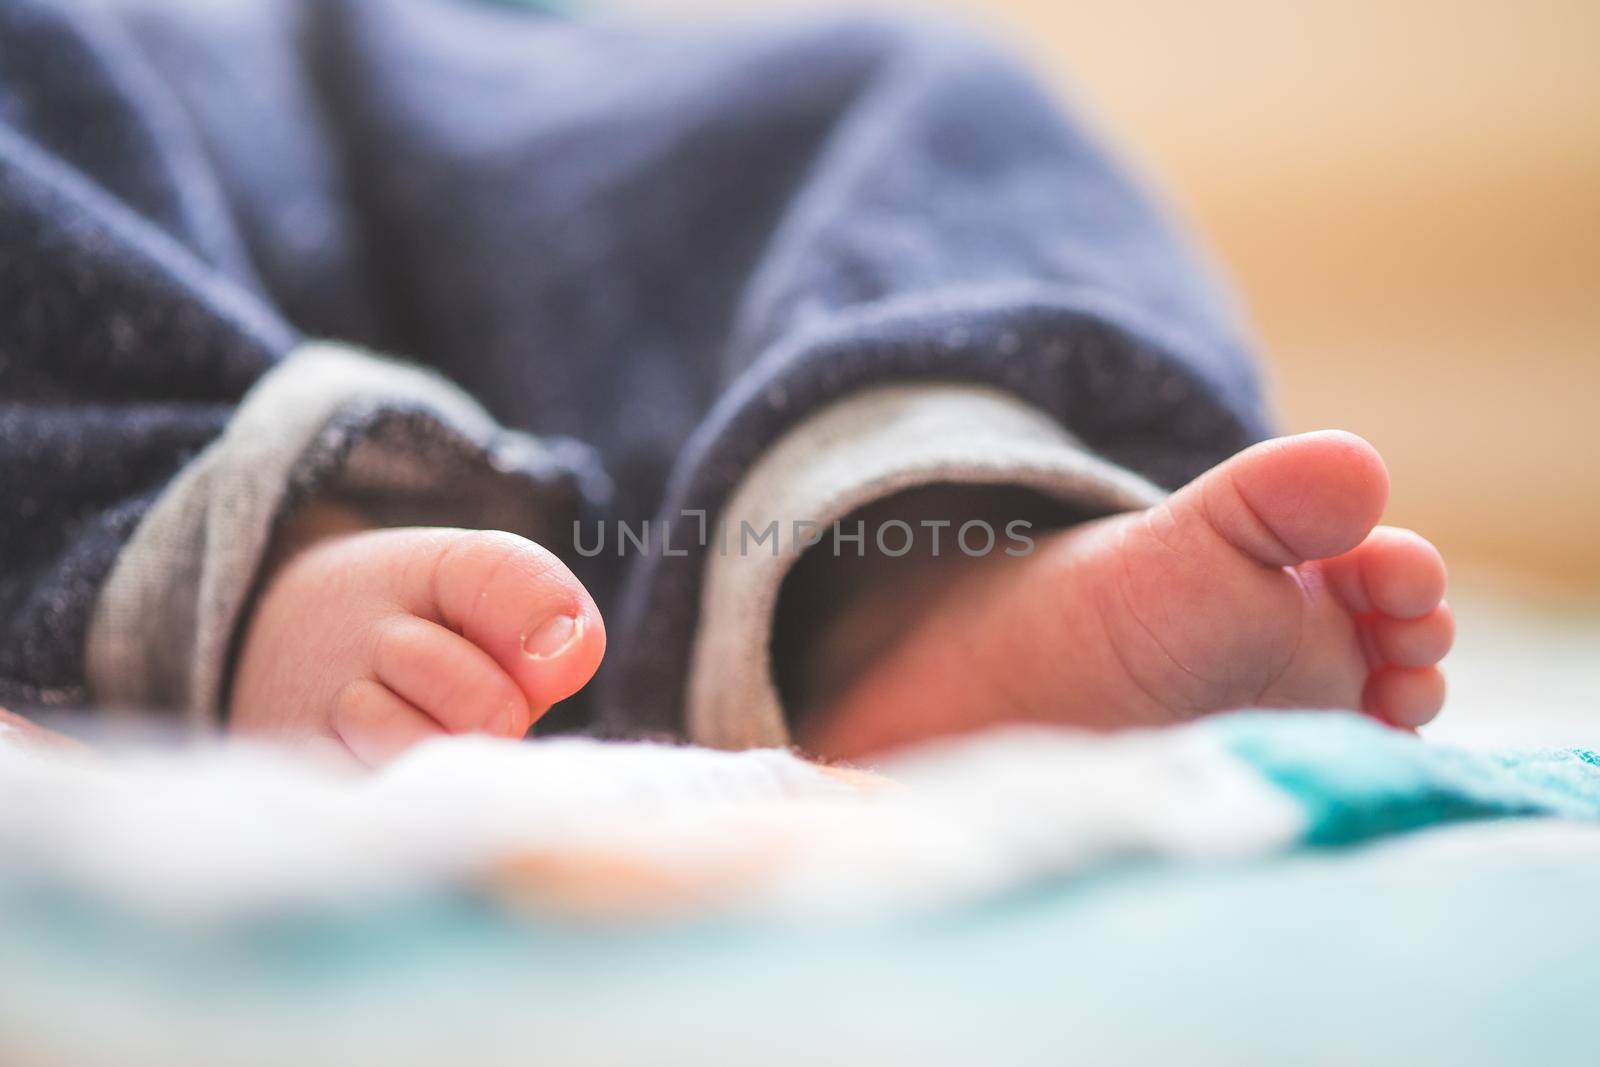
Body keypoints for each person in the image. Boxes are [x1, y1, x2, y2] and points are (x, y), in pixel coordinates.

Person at [0, 0, 1451, 767]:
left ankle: (923, 579)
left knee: (908, 81)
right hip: (131, 134)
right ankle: (232, 569)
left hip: (418, 93)